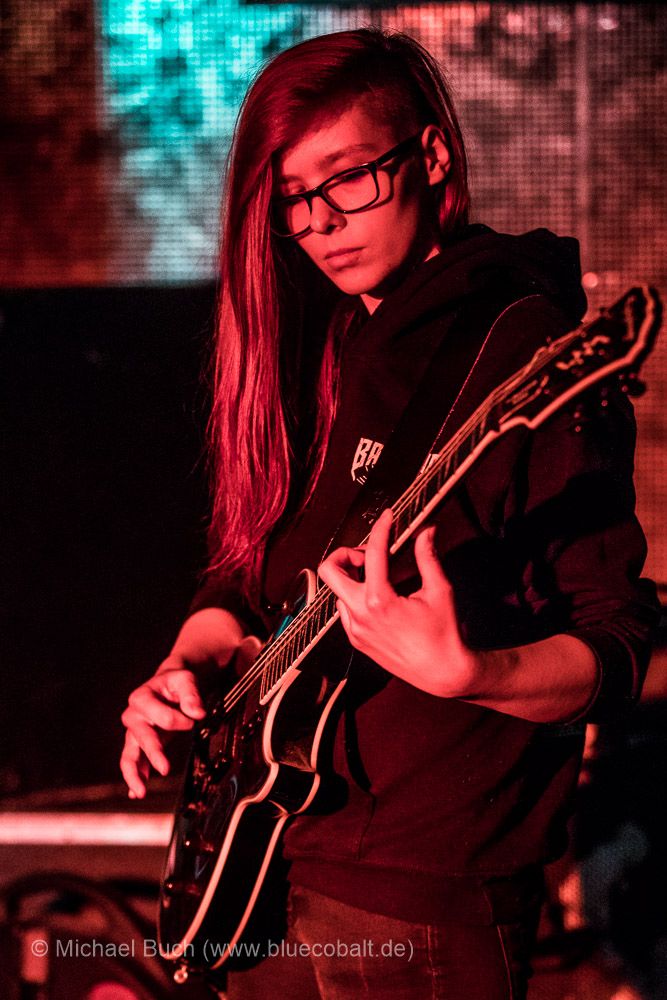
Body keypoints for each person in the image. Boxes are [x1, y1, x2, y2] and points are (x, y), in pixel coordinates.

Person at [120, 28, 660, 1000]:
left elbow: (619, 640)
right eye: (293, 195)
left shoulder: (521, 352)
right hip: (268, 861)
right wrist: (185, 662)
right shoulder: (322, 340)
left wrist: (473, 672)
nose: (321, 220)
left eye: (349, 176)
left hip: (424, 894)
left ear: (431, 156)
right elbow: (248, 575)